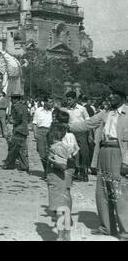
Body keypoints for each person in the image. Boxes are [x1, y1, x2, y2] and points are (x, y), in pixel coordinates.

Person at [67, 84, 128, 241]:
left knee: (119, 193)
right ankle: (107, 227)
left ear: (123, 97)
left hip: (119, 154)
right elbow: (88, 124)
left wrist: (126, 161)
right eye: (110, 94)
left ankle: (125, 231)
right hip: (103, 152)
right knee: (102, 191)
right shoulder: (105, 113)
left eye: (115, 94)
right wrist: (67, 126)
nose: (111, 96)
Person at [46, 111, 79, 241]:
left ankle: (62, 235)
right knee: (64, 201)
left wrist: (52, 160)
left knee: (61, 206)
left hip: (59, 175)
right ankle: (66, 234)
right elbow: (75, 151)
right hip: (64, 173)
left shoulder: (59, 144)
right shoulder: (67, 137)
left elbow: (62, 163)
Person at [64, 90, 90, 181]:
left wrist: (90, 135)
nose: (68, 102)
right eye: (67, 100)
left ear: (75, 99)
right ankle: (75, 173)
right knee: (73, 153)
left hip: (82, 133)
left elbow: (88, 122)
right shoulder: (66, 110)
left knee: (84, 153)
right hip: (71, 133)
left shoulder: (82, 109)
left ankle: (84, 173)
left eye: (70, 100)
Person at [1, 93, 29, 172]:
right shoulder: (24, 106)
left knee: (13, 148)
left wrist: (14, 122)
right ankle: (24, 165)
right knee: (22, 149)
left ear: (16, 99)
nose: (11, 100)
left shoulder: (16, 106)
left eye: (12, 99)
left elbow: (19, 115)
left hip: (18, 129)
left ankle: (9, 164)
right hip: (24, 130)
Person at [33, 95, 54, 178]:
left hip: (50, 132)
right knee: (41, 153)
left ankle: (48, 173)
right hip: (41, 132)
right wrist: (35, 133)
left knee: (50, 153)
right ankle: (46, 169)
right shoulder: (38, 111)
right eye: (50, 102)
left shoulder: (54, 111)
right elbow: (34, 123)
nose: (51, 104)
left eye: (52, 102)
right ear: (45, 102)